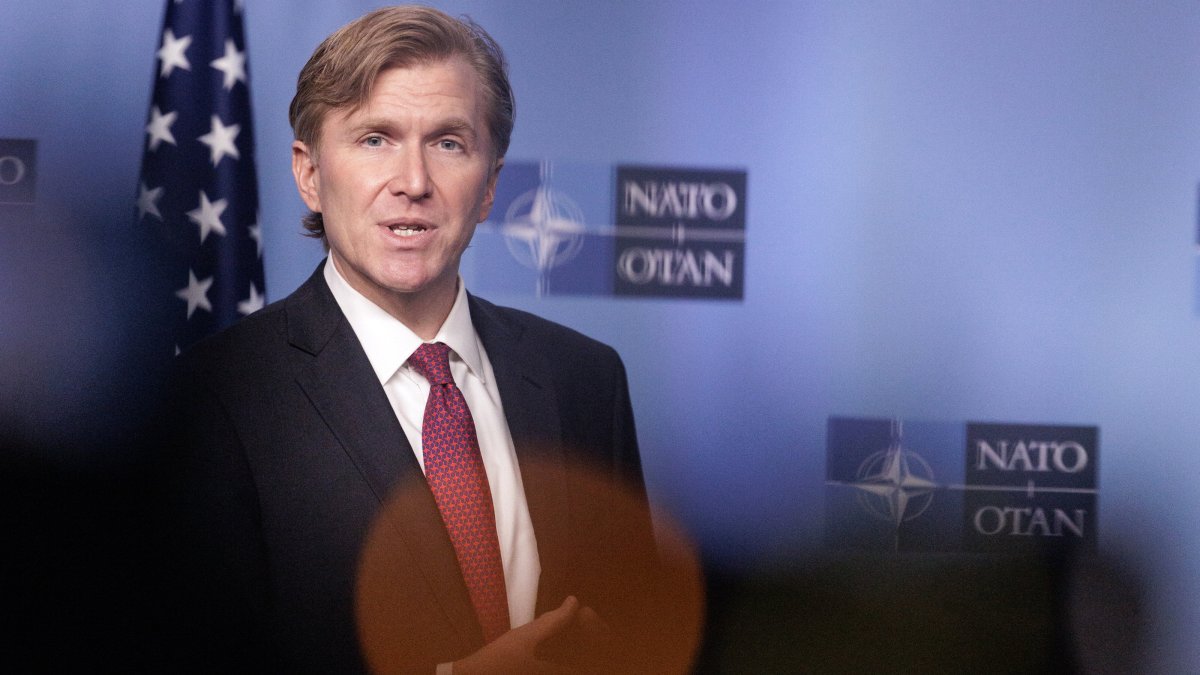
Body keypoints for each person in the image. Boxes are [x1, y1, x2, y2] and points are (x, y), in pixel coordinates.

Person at [161, 6, 661, 674]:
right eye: (376, 139)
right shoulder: (216, 398)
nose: (414, 182)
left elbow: (636, 636)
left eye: (449, 142)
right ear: (310, 174)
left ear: (489, 185)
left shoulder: (587, 378)